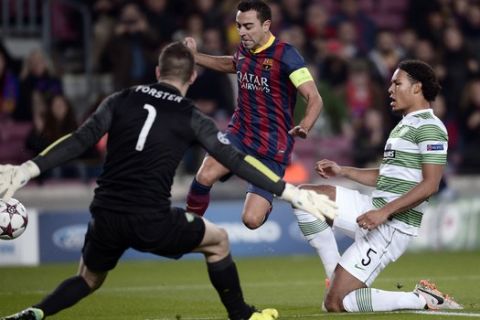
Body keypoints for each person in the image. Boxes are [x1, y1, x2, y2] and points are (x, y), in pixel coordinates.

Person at [0, 42, 336, 320]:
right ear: (192, 76)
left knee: (86, 279)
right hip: (151, 219)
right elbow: (235, 160)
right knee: (218, 241)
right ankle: (243, 315)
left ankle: (36, 313)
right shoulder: (190, 115)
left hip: (105, 215)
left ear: (158, 72)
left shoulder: (121, 99)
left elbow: (79, 139)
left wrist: (27, 168)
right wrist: (291, 192)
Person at [294, 60, 463, 312]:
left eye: (397, 83)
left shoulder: (430, 127)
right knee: (304, 197)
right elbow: (388, 176)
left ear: (417, 88)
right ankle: (334, 275)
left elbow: (430, 185)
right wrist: (343, 171)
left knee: (336, 304)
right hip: (371, 207)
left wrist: (384, 213)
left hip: (391, 224)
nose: (390, 89)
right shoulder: (404, 125)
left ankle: (421, 298)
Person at [184, 0, 323, 229]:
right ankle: (187, 226)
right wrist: (195, 57)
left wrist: (305, 125)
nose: (241, 32)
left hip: (272, 146)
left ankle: (264, 202)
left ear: (266, 25)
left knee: (251, 221)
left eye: (248, 26)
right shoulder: (244, 50)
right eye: (238, 26)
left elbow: (314, 97)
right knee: (205, 174)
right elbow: (232, 63)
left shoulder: (286, 55)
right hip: (240, 134)